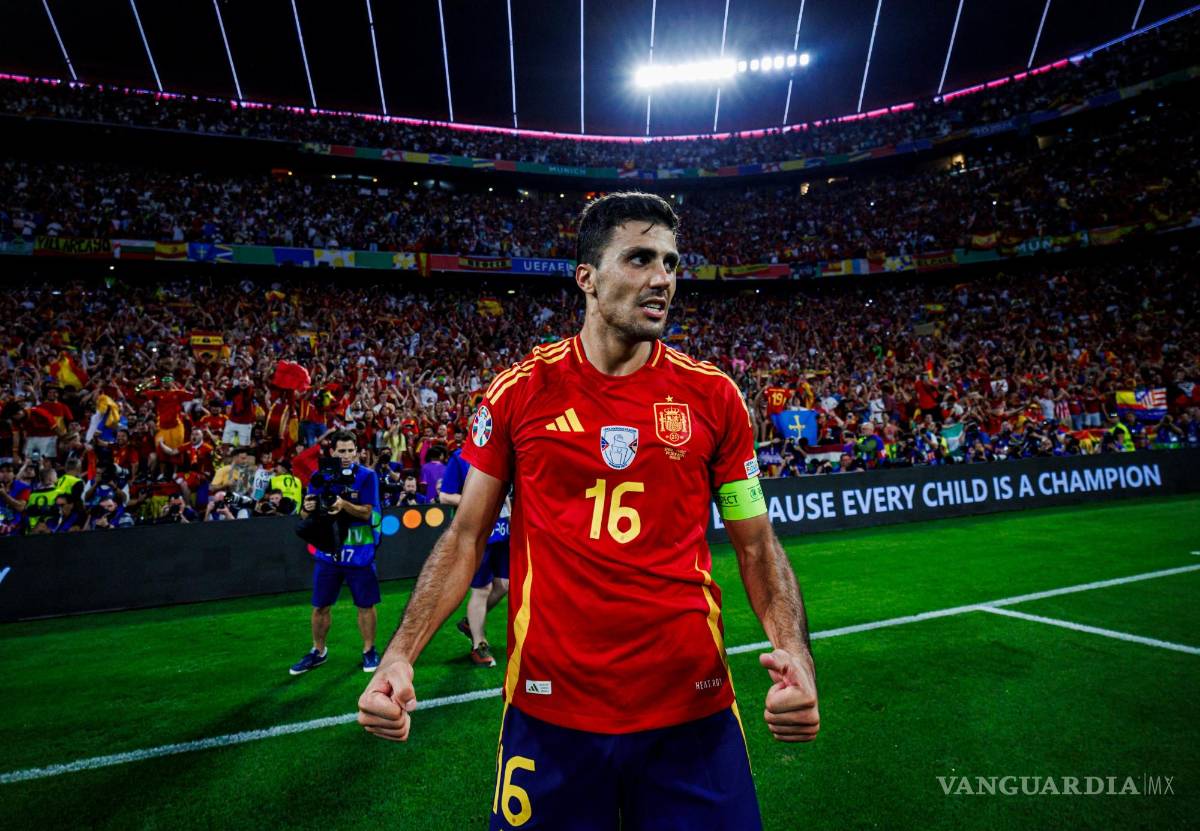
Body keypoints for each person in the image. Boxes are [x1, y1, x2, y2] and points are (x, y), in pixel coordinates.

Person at [358, 192, 818, 829]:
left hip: (692, 712)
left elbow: (757, 545)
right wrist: (400, 654)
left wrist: (795, 653)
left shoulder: (714, 397)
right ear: (587, 278)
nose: (663, 278)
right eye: (640, 258)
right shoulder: (519, 392)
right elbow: (465, 538)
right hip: (551, 715)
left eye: (671, 262)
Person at [290, 430, 384, 676]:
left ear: (357, 452)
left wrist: (343, 505)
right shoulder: (318, 476)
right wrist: (307, 507)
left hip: (360, 552)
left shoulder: (367, 476)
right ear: (332, 452)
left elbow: (367, 512)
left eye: (351, 451)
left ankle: (369, 650)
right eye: (341, 451)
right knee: (320, 605)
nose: (346, 456)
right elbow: (304, 514)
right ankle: (318, 651)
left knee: (365, 604)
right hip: (328, 552)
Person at [438, 446, 511, 667]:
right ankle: (479, 645)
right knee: (482, 589)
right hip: (478, 533)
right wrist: (478, 500)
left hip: (503, 532)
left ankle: (471, 622)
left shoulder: (505, 452)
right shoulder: (461, 457)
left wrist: (511, 517)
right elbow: (445, 496)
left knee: (504, 585)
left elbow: (505, 493)